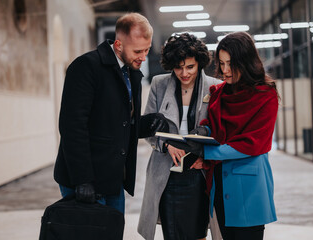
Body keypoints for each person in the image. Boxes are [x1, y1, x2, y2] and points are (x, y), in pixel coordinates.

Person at [53, 12, 168, 216]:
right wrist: (83, 179)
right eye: (138, 51)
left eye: (147, 50)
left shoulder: (131, 73)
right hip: (85, 180)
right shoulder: (86, 67)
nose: (143, 57)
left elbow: (119, 124)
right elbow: (72, 127)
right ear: (118, 45)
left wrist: (146, 123)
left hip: (113, 178)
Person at [168, 31, 279, 240]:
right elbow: (214, 126)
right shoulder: (218, 92)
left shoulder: (266, 95)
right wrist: (203, 131)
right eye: (221, 63)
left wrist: (206, 151)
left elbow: (254, 144)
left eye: (231, 64)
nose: (225, 71)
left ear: (246, 62)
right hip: (219, 185)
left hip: (249, 188)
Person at [138, 33, 221, 240]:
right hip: (167, 173)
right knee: (172, 233)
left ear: (199, 63)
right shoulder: (159, 84)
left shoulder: (215, 86)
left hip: (199, 174)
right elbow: (148, 129)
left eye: (190, 67)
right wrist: (166, 145)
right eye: (178, 67)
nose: (184, 73)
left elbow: (220, 132)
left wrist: (207, 157)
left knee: (198, 232)